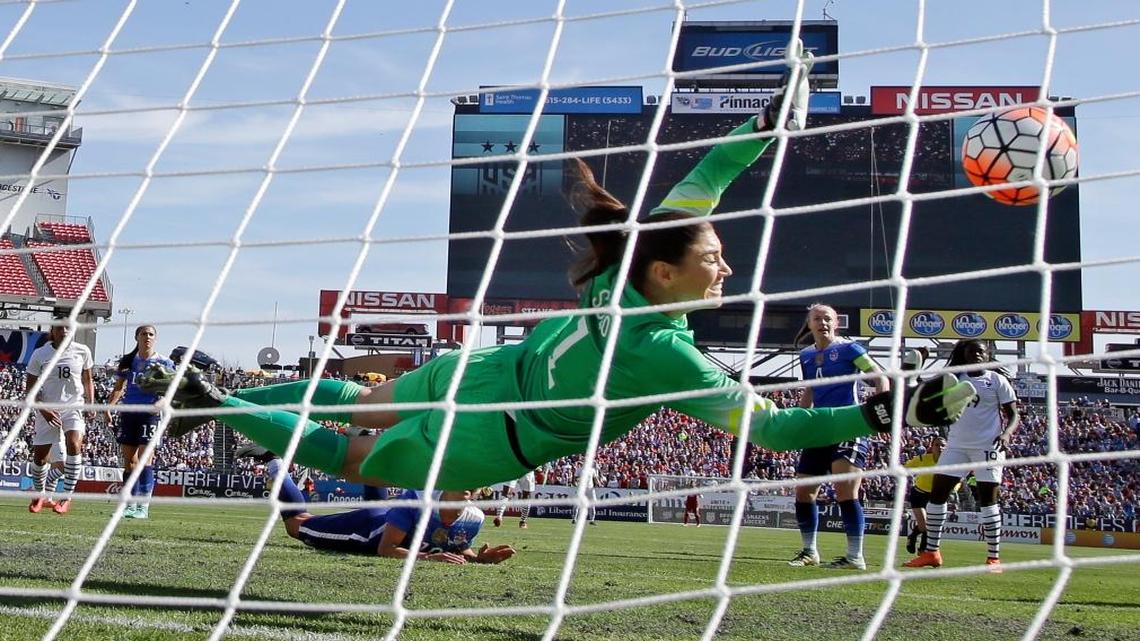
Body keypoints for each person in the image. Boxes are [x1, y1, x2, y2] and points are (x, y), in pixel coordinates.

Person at [140, 42, 974, 499]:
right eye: (715, 259)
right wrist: (881, 411)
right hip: (493, 437)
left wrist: (766, 121)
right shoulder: (668, 356)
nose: (728, 268)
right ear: (669, 273)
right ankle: (221, 406)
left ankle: (217, 403)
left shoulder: (626, 270)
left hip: (480, 371)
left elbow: (706, 179)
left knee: (354, 404)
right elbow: (776, 429)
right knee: (344, 454)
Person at [249, 450, 514, 564]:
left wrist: (477, 558)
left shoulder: (474, 517)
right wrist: (428, 558)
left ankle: (363, 438)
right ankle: (274, 461)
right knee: (296, 524)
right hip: (370, 529)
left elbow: (453, 546)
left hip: (388, 517)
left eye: (477, 482)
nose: (471, 485)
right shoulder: (418, 500)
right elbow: (386, 549)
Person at [787, 304, 889, 571]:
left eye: (827, 318)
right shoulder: (807, 355)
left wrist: (879, 410)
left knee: (845, 490)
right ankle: (809, 551)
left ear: (836, 323)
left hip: (849, 425)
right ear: (809, 324)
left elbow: (879, 378)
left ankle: (855, 556)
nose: (823, 322)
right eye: (817, 318)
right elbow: (810, 389)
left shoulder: (849, 349)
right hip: (818, 428)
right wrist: (798, 419)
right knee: (804, 491)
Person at [904, 339, 1019, 572]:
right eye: (971, 351)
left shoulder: (997, 380)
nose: (976, 354)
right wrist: (918, 363)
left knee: (988, 501)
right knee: (937, 497)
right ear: (963, 355)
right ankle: (932, 553)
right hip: (956, 446)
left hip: (988, 447)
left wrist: (1007, 433)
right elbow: (922, 392)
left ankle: (993, 558)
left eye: (981, 351)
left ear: (987, 356)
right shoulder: (954, 377)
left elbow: (1014, 414)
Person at [105, 325, 174, 519]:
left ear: (155, 338)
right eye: (144, 334)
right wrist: (110, 406)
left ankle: (143, 506)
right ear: (137, 337)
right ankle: (129, 504)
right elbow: (119, 387)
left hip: (150, 414)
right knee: (129, 462)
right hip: (129, 413)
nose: (147, 337)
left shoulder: (164, 362)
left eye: (151, 334)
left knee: (145, 460)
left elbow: (172, 389)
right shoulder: (128, 362)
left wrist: (163, 401)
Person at [25, 321, 94, 515]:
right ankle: (40, 495)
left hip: (73, 407)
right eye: (59, 328)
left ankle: (66, 497)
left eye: (68, 328)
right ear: (52, 331)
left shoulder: (82, 351)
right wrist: (44, 410)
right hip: (47, 409)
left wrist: (91, 402)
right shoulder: (40, 354)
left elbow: (88, 379)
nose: (64, 331)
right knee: (40, 459)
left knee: (74, 444)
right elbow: (30, 388)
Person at [903, 435, 948, 554]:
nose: (940, 447)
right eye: (937, 445)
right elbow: (906, 468)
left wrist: (953, 489)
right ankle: (915, 541)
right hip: (919, 494)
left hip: (934, 497)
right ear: (932, 447)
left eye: (943, 445)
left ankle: (920, 548)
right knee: (924, 526)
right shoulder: (923, 459)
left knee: (930, 525)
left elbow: (958, 479)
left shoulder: (949, 463)